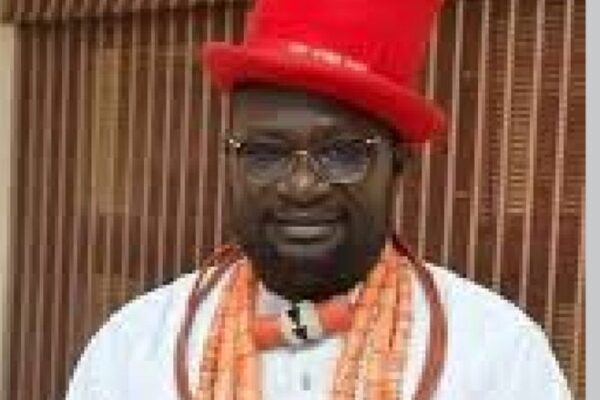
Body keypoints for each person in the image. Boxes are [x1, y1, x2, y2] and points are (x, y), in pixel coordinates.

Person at [66, 0, 572, 398]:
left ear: (397, 164)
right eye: (266, 153)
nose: (301, 185)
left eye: (341, 153)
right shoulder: (133, 353)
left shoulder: (494, 357)